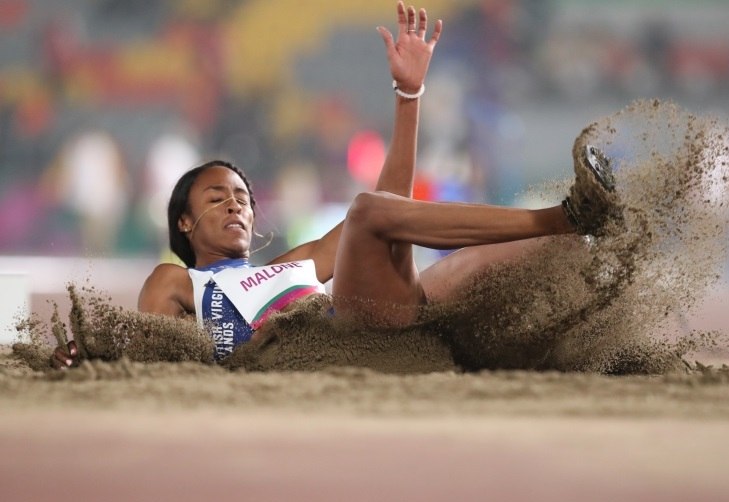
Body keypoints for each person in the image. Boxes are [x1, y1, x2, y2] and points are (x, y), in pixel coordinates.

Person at [51, 2, 620, 368]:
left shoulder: (296, 263)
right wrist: (98, 351)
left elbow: (391, 212)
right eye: (216, 196)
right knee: (369, 213)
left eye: (244, 197)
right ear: (184, 221)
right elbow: (152, 344)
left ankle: (603, 272)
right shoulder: (178, 282)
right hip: (345, 343)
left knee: (526, 259)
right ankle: (566, 214)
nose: (235, 204)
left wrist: (409, 97)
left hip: (397, 324)